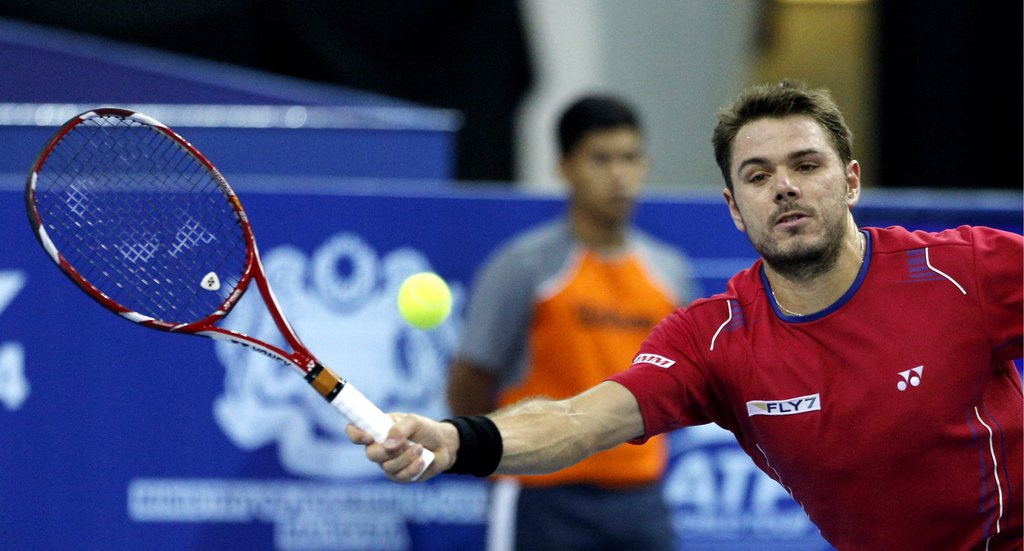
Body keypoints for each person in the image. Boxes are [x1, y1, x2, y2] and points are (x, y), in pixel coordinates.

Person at [348, 81, 1024, 551]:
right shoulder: (714, 338)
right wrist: (457, 438)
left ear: (850, 181)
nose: (783, 185)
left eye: (805, 164)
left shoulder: (961, 269)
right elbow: (583, 417)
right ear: (733, 208)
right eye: (757, 175)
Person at [445, 94, 698, 551]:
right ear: (564, 167)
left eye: (630, 158)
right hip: (540, 495)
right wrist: (497, 451)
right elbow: (472, 376)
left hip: (641, 496)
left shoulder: (670, 271)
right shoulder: (523, 266)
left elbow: (687, 384)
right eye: (600, 159)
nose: (619, 175)